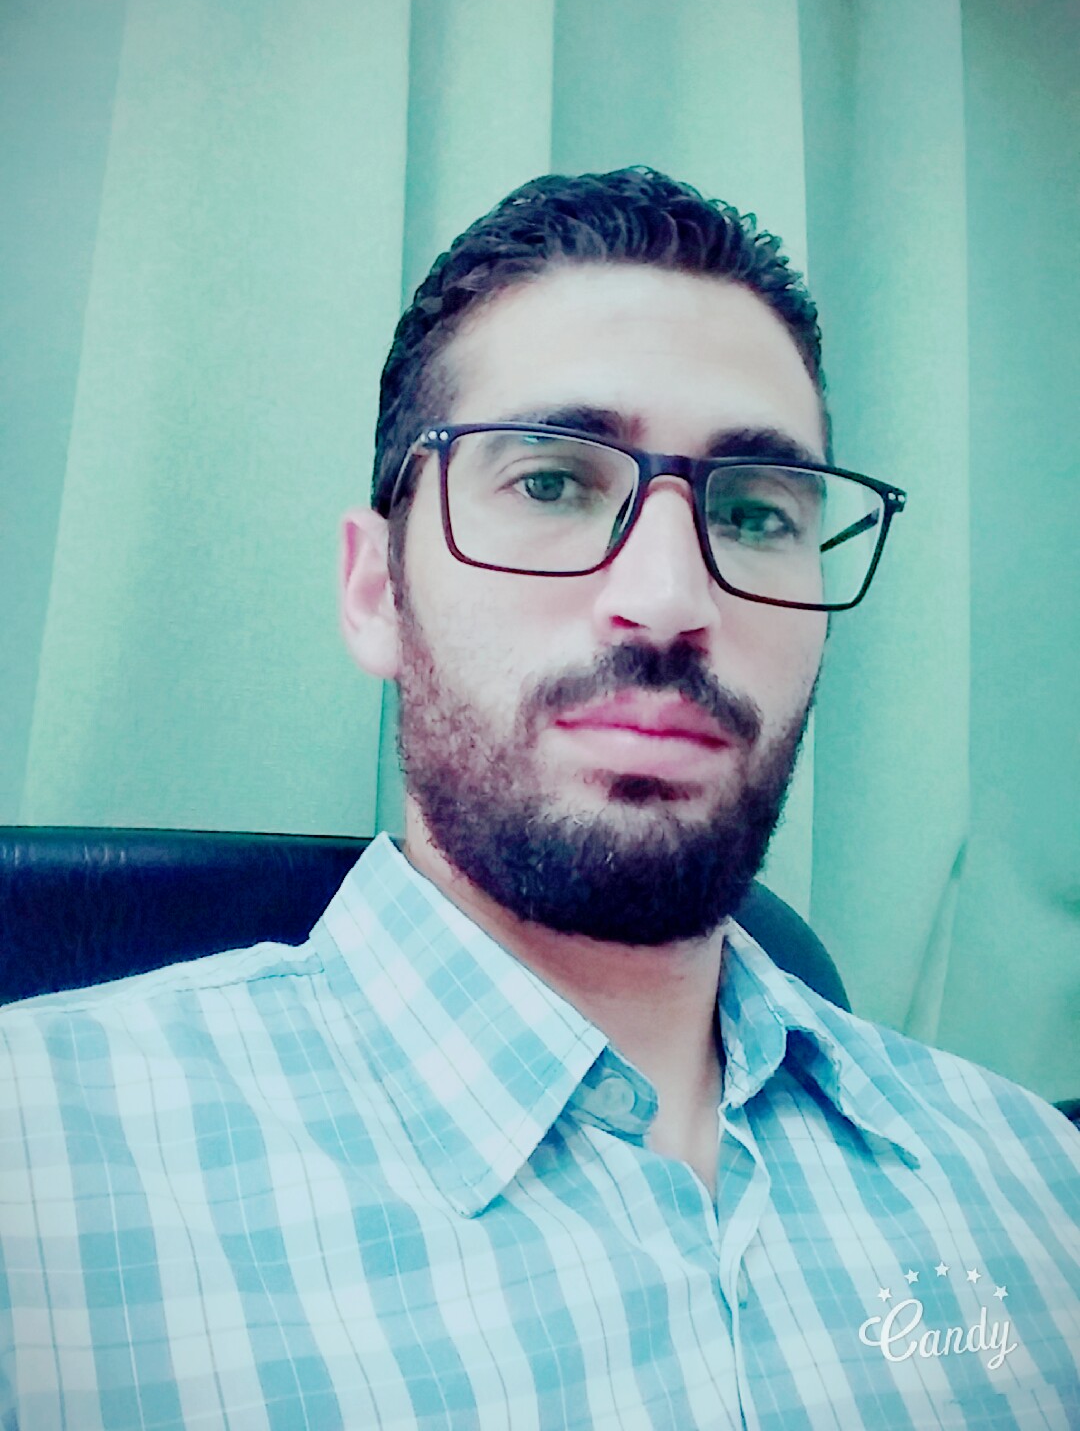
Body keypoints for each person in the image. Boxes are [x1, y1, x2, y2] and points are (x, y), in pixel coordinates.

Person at [1, 169, 1077, 1430]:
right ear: (376, 591)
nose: (670, 600)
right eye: (553, 484)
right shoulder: (38, 1180)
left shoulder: (1031, 1189)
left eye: (753, 512)